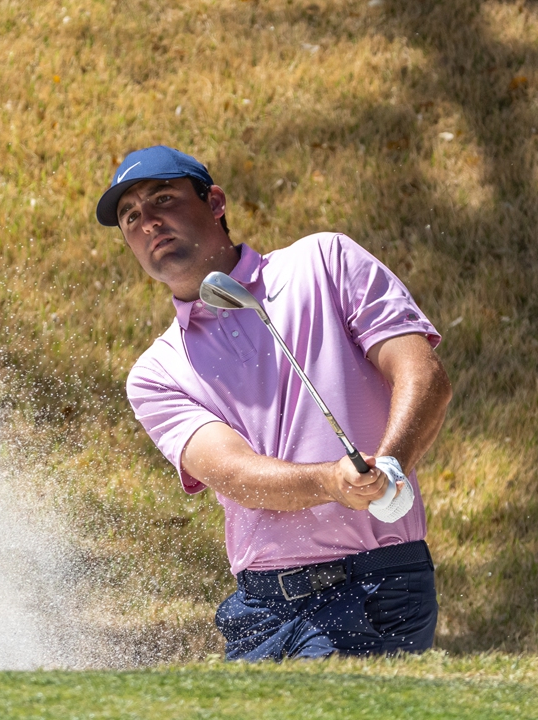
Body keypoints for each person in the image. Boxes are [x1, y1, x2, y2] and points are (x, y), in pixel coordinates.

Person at [96, 146, 452, 660]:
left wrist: (390, 465)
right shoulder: (156, 373)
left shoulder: (324, 262)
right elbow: (233, 473)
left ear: (214, 201)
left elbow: (422, 372)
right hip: (258, 608)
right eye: (130, 217)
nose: (148, 222)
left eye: (163, 199)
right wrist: (332, 482)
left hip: (371, 584)